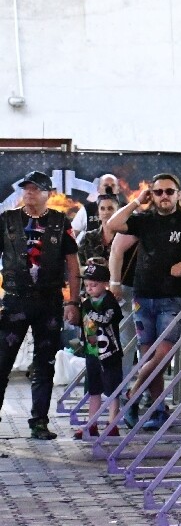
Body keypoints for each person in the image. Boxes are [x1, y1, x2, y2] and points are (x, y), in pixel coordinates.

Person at [107, 173, 181, 430]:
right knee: (148, 356)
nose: (164, 196)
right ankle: (155, 409)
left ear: (178, 194)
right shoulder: (145, 219)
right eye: (158, 192)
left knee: (164, 353)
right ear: (152, 195)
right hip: (143, 295)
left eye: (169, 191)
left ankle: (131, 394)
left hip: (172, 296)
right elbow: (114, 224)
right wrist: (136, 202)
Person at [0, 171, 81, 439]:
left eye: (35, 189)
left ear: (48, 193)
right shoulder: (8, 220)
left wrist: (72, 301)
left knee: (44, 363)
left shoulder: (59, 221)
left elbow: (72, 263)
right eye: (26, 188)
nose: (29, 192)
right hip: (15, 300)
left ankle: (39, 422)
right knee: (2, 361)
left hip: (49, 300)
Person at [73, 258, 124, 439]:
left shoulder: (110, 302)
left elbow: (106, 318)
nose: (89, 289)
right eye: (86, 285)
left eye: (93, 285)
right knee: (93, 389)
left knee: (112, 388)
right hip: (92, 352)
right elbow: (83, 324)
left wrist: (90, 313)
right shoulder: (87, 303)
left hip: (109, 352)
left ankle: (112, 422)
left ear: (105, 284)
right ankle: (91, 423)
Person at [73, 174, 122, 240]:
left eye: (113, 185)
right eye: (106, 185)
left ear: (118, 189)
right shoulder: (87, 210)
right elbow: (72, 235)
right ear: (98, 189)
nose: (109, 188)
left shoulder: (127, 209)